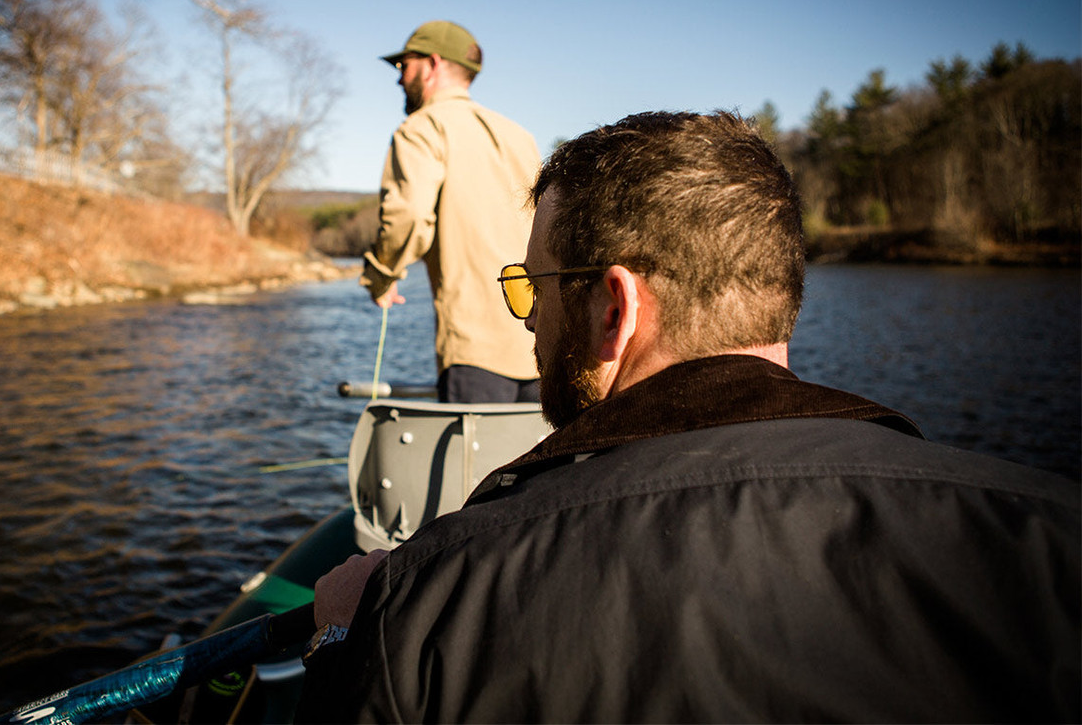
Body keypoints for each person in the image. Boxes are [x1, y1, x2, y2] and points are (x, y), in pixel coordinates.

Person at [297, 111, 1080, 723]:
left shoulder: (437, 598)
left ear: (614, 308)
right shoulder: (1049, 538)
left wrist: (343, 640)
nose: (528, 324)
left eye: (535, 289)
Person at [361, 20, 541, 403]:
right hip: (542, 345)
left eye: (403, 66)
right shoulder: (520, 136)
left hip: (475, 349)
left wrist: (381, 276)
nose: (399, 78)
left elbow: (408, 216)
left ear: (433, 63)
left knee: (479, 466)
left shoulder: (420, 128)